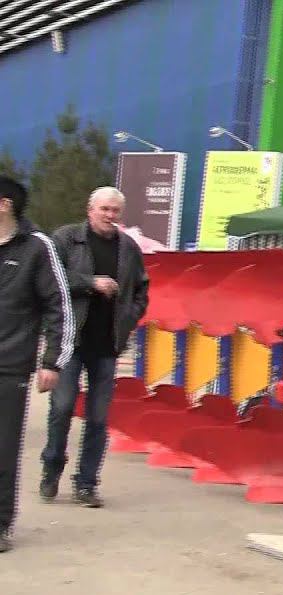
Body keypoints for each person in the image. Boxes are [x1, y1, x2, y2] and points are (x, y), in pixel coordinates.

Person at [41, 187, 149, 508]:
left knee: (98, 418)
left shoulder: (128, 248)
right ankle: (52, 467)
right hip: (70, 341)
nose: (110, 215)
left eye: (115, 210)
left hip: (106, 346)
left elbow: (141, 290)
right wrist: (90, 282)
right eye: (104, 209)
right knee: (62, 408)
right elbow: (49, 279)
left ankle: (86, 484)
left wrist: (129, 318)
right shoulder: (66, 238)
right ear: (90, 210)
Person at [0, 176, 72, 552]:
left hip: (9, 366)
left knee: (2, 449)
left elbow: (59, 305)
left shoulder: (37, 247)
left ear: (4, 204)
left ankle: (0, 524)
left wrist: (52, 361)